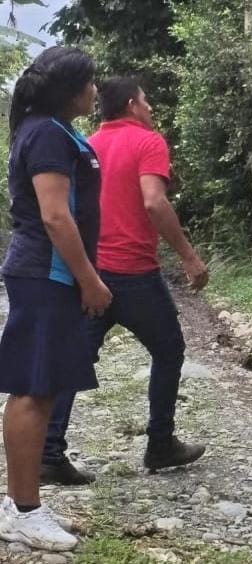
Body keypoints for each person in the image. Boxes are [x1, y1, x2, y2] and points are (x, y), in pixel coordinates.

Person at [41, 77, 209, 486]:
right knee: (169, 350)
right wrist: (189, 257)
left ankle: (48, 454)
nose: (150, 107)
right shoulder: (148, 142)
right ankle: (160, 443)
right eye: (146, 100)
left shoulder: (87, 144)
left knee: (75, 358)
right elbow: (154, 201)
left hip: (92, 274)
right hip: (135, 274)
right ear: (133, 104)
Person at [0, 46, 108, 551]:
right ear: (70, 89)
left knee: (39, 386)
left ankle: (19, 503)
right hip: (46, 272)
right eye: (90, 81)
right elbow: (55, 215)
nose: (95, 90)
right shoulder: (46, 132)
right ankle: (24, 511)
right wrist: (89, 280)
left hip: (49, 272)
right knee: (34, 388)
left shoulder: (52, 129)